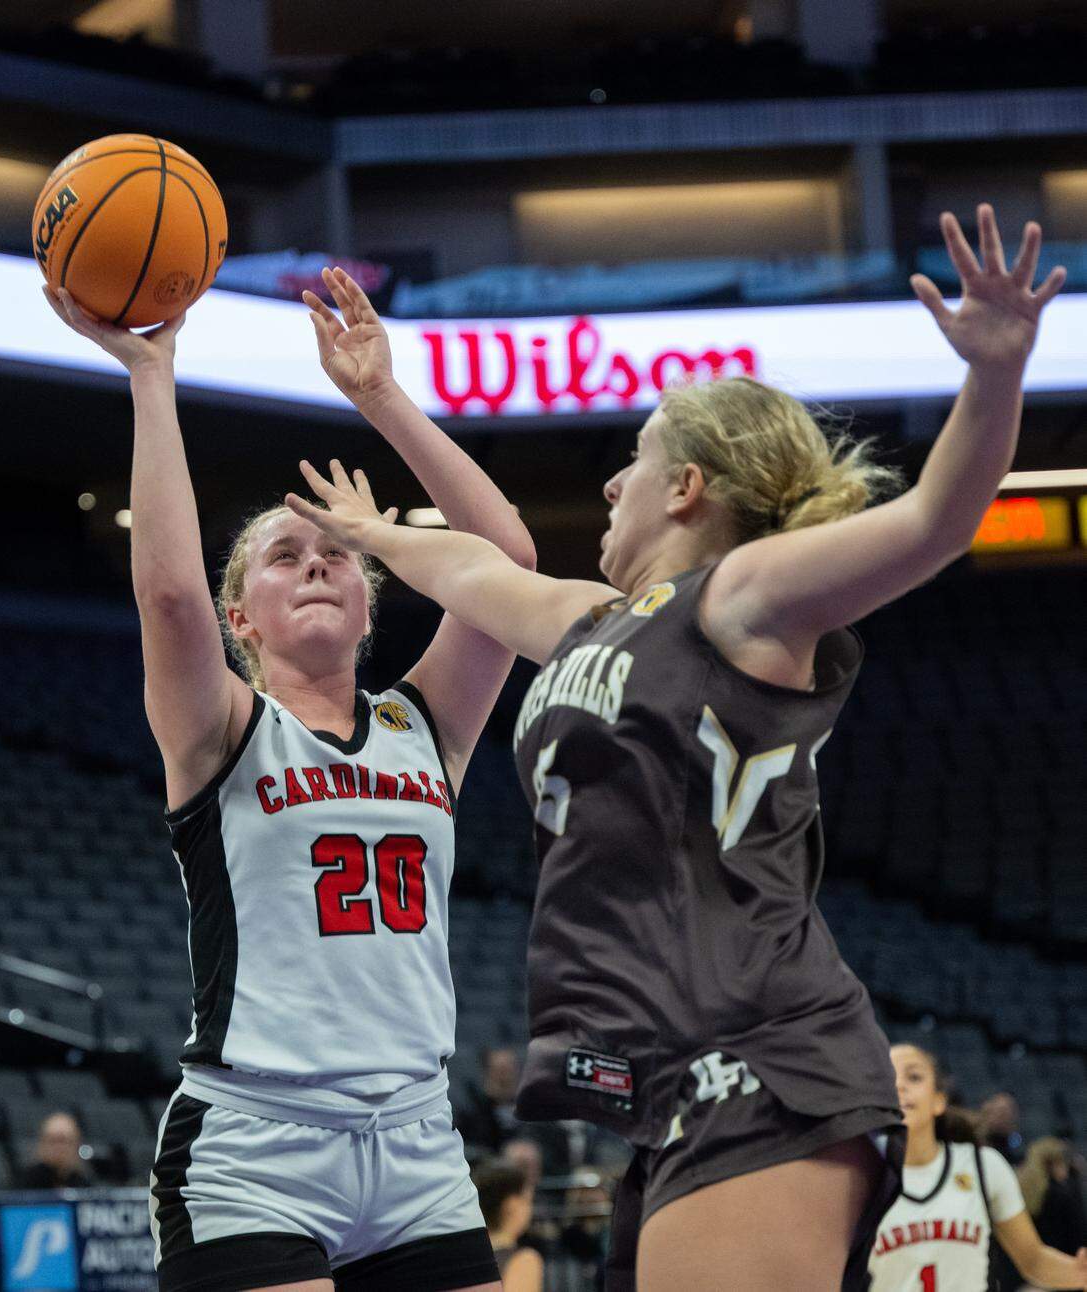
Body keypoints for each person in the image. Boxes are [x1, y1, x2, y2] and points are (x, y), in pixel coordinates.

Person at [282, 204, 1066, 1292]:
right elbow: (465, 567)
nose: (610, 484)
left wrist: (993, 374)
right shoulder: (590, 621)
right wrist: (376, 430)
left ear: (689, 487)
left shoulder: (740, 599)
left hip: (765, 1053)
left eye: (635, 462)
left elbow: (939, 515)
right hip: (670, 1082)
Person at [45, 266, 536, 1292]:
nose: (317, 563)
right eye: (282, 555)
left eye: (339, 555)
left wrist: (380, 395)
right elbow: (170, 593)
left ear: (369, 607)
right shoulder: (222, 724)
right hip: (255, 1145)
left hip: (415, 1142)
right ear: (242, 619)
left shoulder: (424, 722)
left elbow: (507, 555)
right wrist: (152, 374)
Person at [870, 1046, 1087, 1291]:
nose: (899, 1086)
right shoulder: (859, 1180)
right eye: (887, 1078)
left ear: (939, 1101)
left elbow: (1034, 1261)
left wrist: (1080, 1274)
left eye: (914, 1077)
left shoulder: (983, 1165)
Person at [1018, 1139, 1087, 1282]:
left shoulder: (1021, 1194)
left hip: (1031, 1273)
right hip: (1063, 1269)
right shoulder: (1062, 1194)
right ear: (1055, 1164)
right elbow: (1077, 1237)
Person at [473, 1161, 543, 1292]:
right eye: (528, 1200)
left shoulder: (464, 1260)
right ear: (513, 1204)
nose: (530, 1209)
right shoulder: (524, 1261)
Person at [456, 1048, 522, 1160]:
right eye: (500, 1071)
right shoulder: (472, 1114)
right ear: (486, 1074)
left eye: (510, 1070)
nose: (505, 1078)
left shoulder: (532, 1112)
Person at [16, 1112, 91, 1189]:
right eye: (53, 1141)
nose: (59, 1147)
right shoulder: (28, 1181)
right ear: (43, 1143)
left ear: (75, 1144)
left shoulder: (82, 1182)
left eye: (63, 1141)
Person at [984, 1092, 1027, 1166]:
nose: (1004, 1117)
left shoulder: (1018, 1149)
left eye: (1008, 1112)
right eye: (1000, 1111)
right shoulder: (980, 1146)